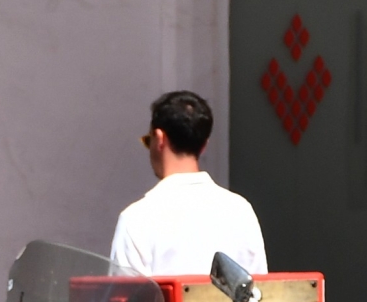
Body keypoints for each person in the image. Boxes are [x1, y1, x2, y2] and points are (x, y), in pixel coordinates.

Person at [108, 90, 268, 278]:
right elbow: (259, 293)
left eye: (147, 140)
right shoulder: (241, 211)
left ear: (159, 139)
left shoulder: (137, 219)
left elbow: (123, 301)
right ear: (204, 145)